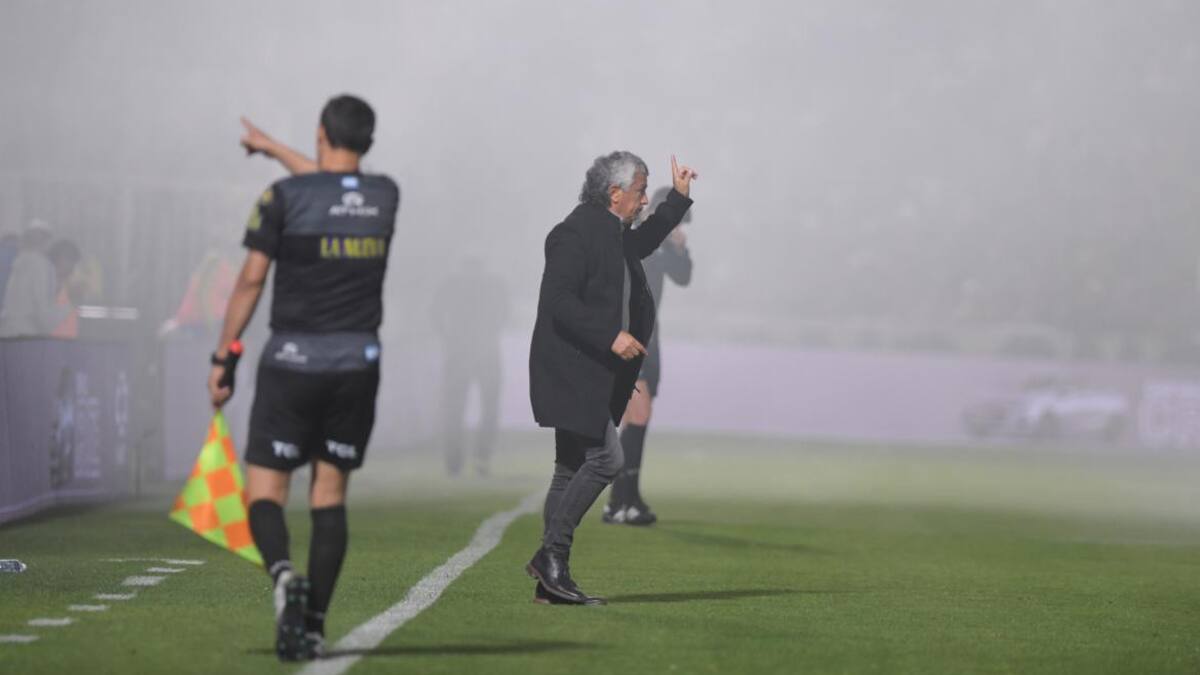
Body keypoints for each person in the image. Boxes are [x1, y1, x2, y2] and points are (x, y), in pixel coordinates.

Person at [208, 95, 399, 661]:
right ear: (368, 142)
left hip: (290, 362)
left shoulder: (283, 198)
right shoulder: (384, 195)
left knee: (264, 491)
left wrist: (225, 358)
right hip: (356, 366)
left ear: (320, 132)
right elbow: (335, 186)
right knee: (329, 495)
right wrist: (273, 150)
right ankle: (313, 626)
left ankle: (285, 576)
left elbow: (249, 283)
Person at [526, 152, 697, 605]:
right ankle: (551, 556)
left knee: (567, 470)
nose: (644, 200)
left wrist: (677, 199)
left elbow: (646, 242)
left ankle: (552, 580)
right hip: (571, 369)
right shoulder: (573, 234)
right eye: (641, 192)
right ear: (614, 193)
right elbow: (557, 302)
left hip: (590, 368)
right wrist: (610, 336)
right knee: (606, 460)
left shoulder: (613, 233)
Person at [604, 188, 693, 525]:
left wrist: (680, 249)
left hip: (649, 337)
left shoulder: (665, 243)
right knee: (638, 416)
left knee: (637, 417)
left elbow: (683, 278)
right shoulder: (634, 236)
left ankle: (622, 499)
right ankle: (624, 500)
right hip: (629, 335)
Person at [431, 257, 511, 476]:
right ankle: (476, 459)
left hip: (467, 352)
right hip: (477, 353)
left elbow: (435, 314)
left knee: (460, 409)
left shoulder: (454, 284)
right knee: (479, 409)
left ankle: (458, 461)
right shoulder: (491, 285)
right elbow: (505, 314)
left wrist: (449, 337)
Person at [0, 220, 68, 338]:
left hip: (7, 333)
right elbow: (41, 308)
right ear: (46, 241)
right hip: (28, 336)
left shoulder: (18, 262)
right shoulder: (41, 265)